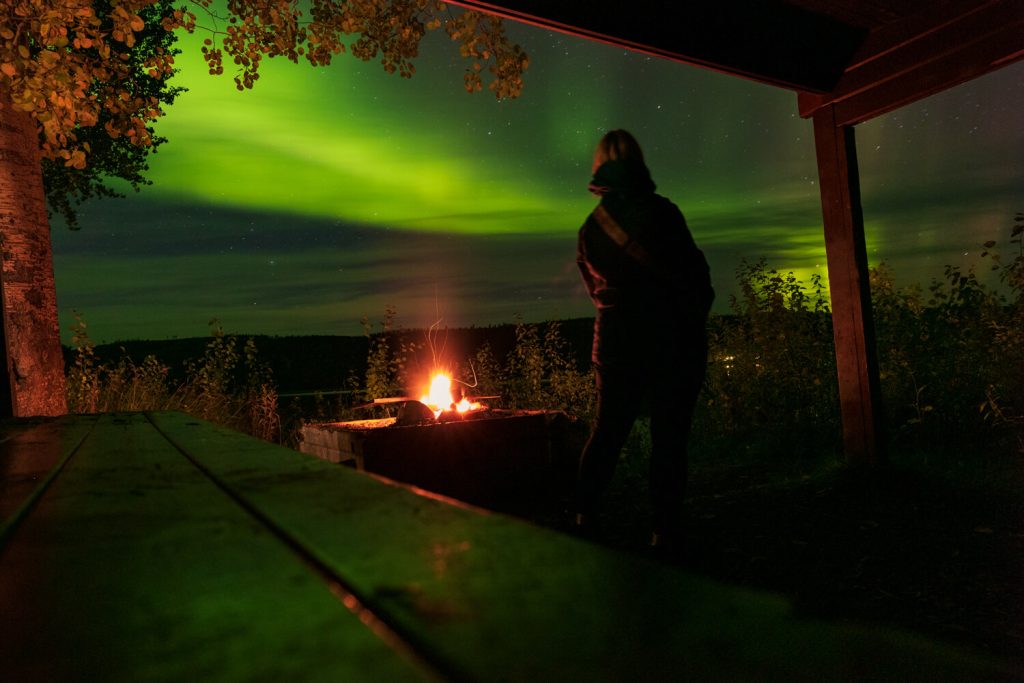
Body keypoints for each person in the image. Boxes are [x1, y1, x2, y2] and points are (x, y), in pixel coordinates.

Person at [575, 129, 713, 550]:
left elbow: (594, 290)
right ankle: (665, 531)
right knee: (669, 438)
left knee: (607, 432)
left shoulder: (591, 228)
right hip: (672, 337)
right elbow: (696, 276)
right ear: (640, 162)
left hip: (617, 340)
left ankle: (585, 517)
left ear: (599, 167)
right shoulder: (664, 213)